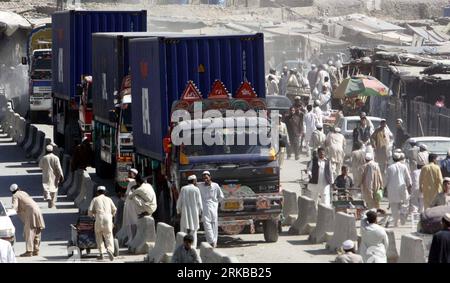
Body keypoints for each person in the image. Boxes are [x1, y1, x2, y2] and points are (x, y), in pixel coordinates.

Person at [10, 184, 45, 257]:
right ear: (18, 188)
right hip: (37, 209)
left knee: (29, 231)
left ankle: (29, 251)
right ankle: (36, 250)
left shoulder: (15, 195)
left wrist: (9, 212)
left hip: (31, 212)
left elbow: (14, 207)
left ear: (12, 192)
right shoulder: (23, 192)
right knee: (37, 230)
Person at [88, 186, 117, 261]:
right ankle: (110, 250)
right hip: (108, 218)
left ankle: (101, 253)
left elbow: (90, 210)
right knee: (109, 235)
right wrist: (112, 216)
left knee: (98, 235)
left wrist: (92, 216)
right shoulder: (109, 199)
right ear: (105, 192)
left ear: (97, 192)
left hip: (99, 218)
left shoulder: (95, 199)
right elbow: (114, 209)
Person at [385, 153, 412, 227]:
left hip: (392, 189)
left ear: (393, 159)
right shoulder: (404, 166)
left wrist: (384, 187)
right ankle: (403, 217)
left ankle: (396, 223)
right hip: (402, 188)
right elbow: (408, 178)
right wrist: (409, 185)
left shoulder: (390, 168)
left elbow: (386, 180)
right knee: (405, 203)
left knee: (394, 206)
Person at [198, 171, 224, 248]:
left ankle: (214, 242)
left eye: (207, 177)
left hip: (213, 208)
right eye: (204, 178)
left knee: (214, 225)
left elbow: (221, 196)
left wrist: (216, 203)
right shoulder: (200, 185)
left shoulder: (215, 185)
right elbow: (193, 183)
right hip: (205, 208)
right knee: (206, 224)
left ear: (210, 177)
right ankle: (211, 241)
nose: (205, 179)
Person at [177, 175, 203, 249]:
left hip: (185, 213)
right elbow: (199, 202)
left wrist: (178, 211)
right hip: (194, 213)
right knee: (194, 230)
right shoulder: (196, 189)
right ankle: (193, 246)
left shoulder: (183, 189)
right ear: (194, 181)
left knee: (183, 230)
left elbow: (179, 201)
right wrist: (201, 212)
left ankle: (183, 246)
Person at [121, 168, 139, 245]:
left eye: (130, 173)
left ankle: (131, 239)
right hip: (135, 205)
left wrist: (122, 197)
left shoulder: (131, 183)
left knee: (129, 222)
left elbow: (127, 193)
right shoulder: (137, 183)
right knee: (135, 221)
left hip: (130, 205)